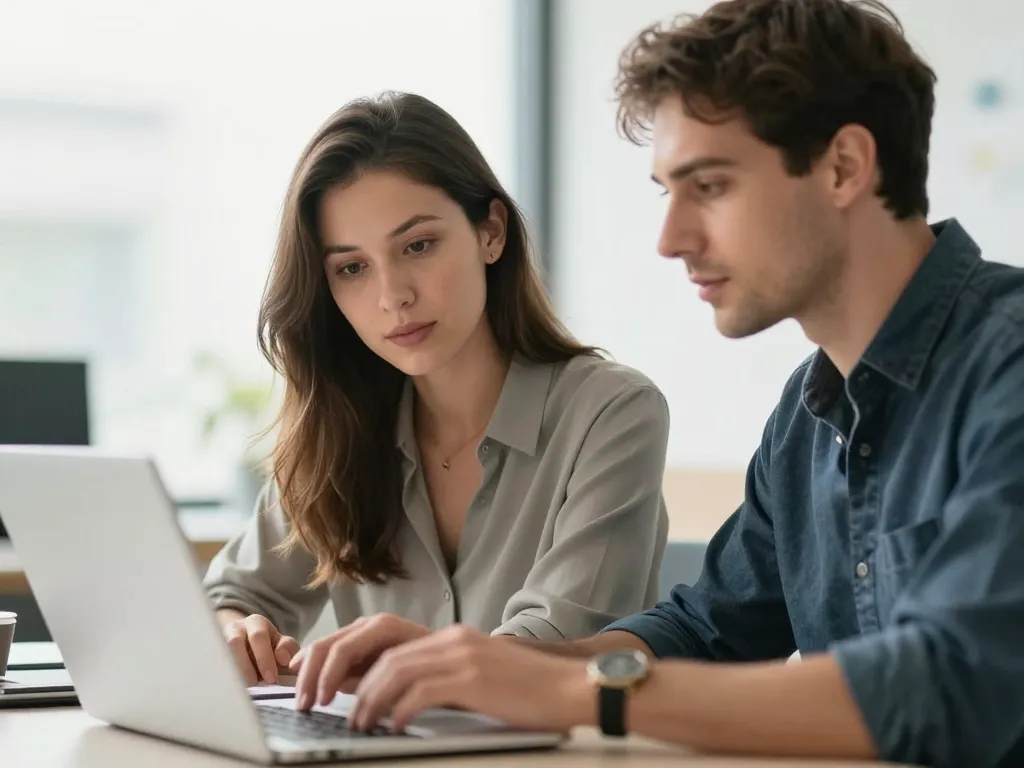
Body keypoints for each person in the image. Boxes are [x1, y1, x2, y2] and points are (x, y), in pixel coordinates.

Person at [287, 2, 1024, 766]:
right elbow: (706, 631)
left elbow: (954, 683)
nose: (671, 239)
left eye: (710, 186)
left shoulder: (1009, 366)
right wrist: (480, 668)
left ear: (843, 167)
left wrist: (583, 695)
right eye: (667, 192)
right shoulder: (807, 415)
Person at [202, 91, 670, 689]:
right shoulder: (341, 428)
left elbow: (560, 642)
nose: (392, 295)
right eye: (352, 267)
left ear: (490, 232)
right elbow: (232, 595)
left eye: (417, 245)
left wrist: (409, 666)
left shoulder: (611, 413)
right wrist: (238, 632)